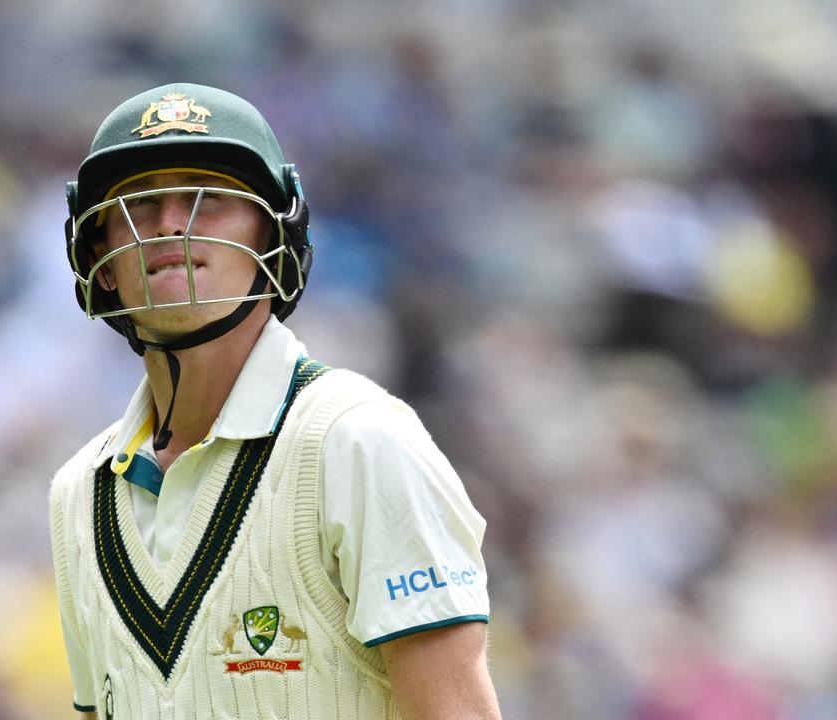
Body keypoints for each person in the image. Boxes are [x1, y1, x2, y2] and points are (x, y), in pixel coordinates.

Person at [50, 82, 501, 719]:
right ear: (96, 255)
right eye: (139, 203)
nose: (170, 222)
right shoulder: (77, 493)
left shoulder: (360, 442)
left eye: (208, 197)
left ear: (274, 236)